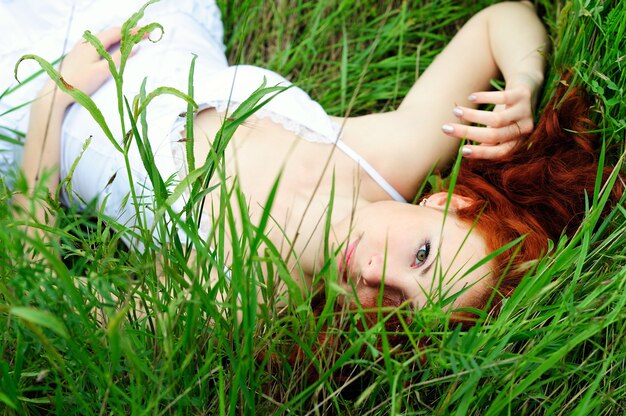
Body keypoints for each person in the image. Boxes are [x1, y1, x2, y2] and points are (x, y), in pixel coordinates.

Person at [0, 0, 619, 322]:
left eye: (401, 303)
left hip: (29, 91)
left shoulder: (245, 291)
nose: (376, 274)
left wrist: (50, 109)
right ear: (446, 202)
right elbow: (500, 21)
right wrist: (524, 78)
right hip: (152, 22)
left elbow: (48, 304)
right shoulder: (384, 160)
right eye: (421, 254)